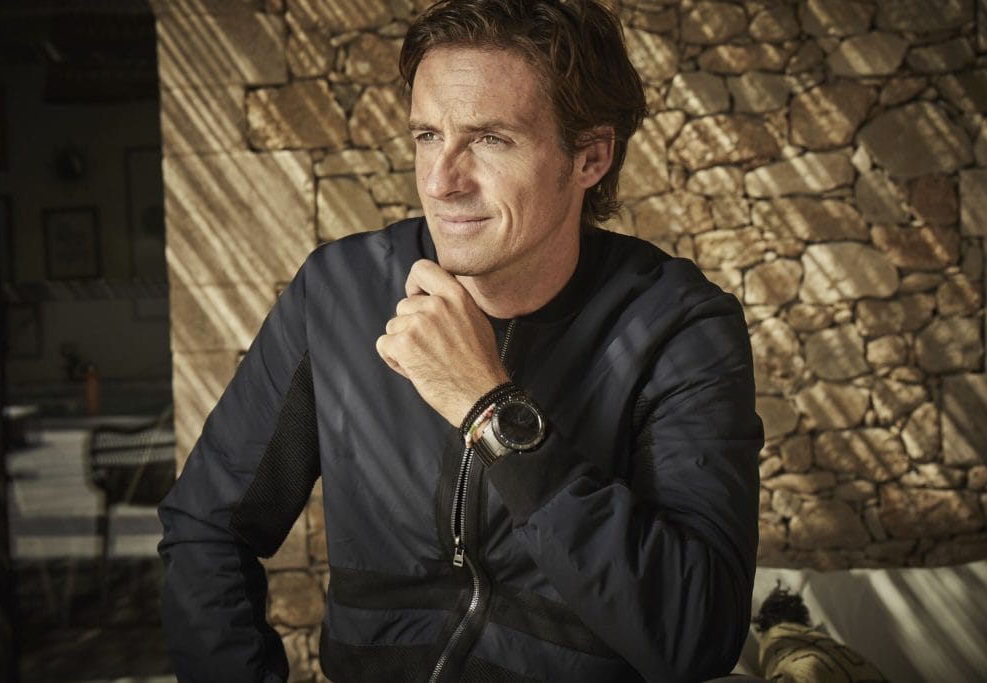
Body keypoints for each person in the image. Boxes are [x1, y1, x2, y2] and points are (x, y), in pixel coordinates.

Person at [157, 0, 763, 681]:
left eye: (490, 139)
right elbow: (206, 527)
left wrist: (490, 409)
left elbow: (698, 633)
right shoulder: (339, 291)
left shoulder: (678, 326)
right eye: (426, 135)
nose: (440, 180)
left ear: (590, 156)